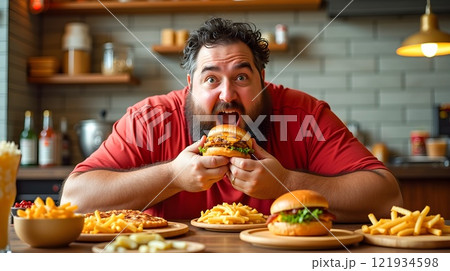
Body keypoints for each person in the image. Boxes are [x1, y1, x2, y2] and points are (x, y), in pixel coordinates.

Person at [61, 17, 402, 222]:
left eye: (241, 77)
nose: (227, 95)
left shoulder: (305, 114)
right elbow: (74, 201)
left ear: (262, 79)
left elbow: (387, 197)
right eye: (211, 79)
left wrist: (289, 184)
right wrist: (170, 176)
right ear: (190, 85)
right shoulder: (150, 118)